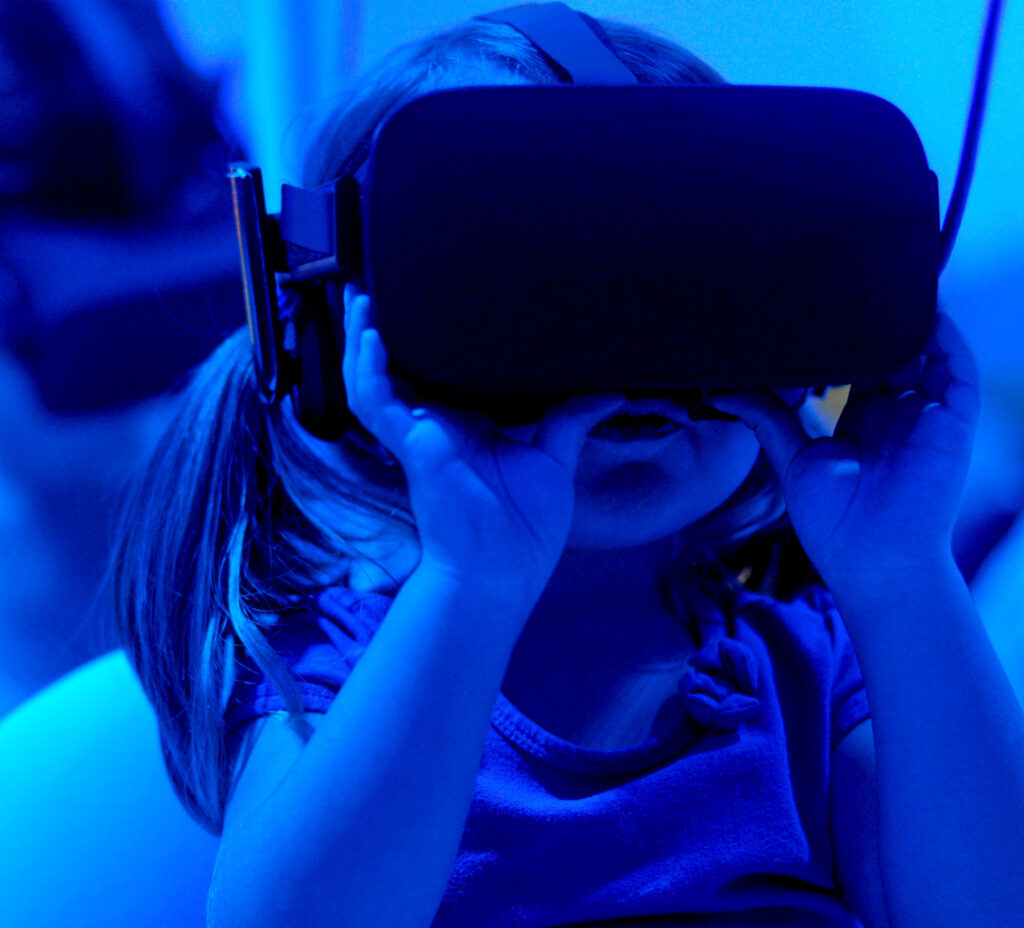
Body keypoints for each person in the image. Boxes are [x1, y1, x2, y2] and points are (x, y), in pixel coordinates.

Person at [112, 10, 1024, 928]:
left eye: (700, 287)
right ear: (342, 348)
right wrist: (473, 584)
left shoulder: (814, 667)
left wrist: (904, 573)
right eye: (544, 299)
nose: (631, 363)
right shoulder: (342, 670)